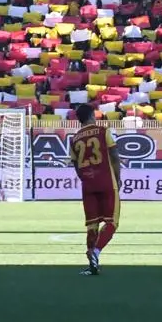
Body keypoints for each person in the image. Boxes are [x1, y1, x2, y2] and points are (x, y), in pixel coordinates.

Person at [71, 104, 122, 275]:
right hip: (106, 181)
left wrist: (85, 178)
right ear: (93, 115)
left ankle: (92, 265)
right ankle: (96, 252)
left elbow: (76, 164)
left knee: (92, 225)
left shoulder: (75, 138)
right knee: (111, 222)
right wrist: (118, 177)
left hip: (88, 184)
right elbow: (114, 156)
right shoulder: (103, 131)